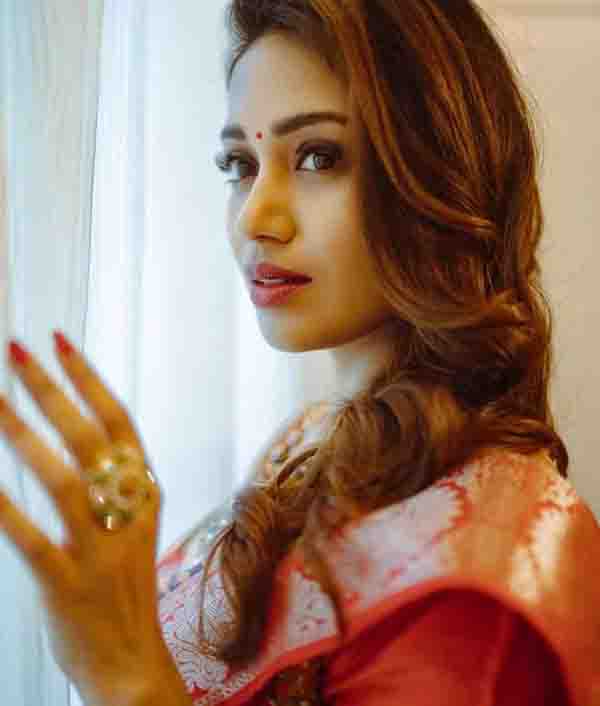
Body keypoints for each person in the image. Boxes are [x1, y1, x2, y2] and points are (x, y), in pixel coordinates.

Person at [0, 2, 598, 706]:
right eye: (240, 165)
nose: (257, 216)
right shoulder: (309, 442)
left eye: (319, 157)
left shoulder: (480, 575)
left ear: (440, 174)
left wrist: (128, 676)